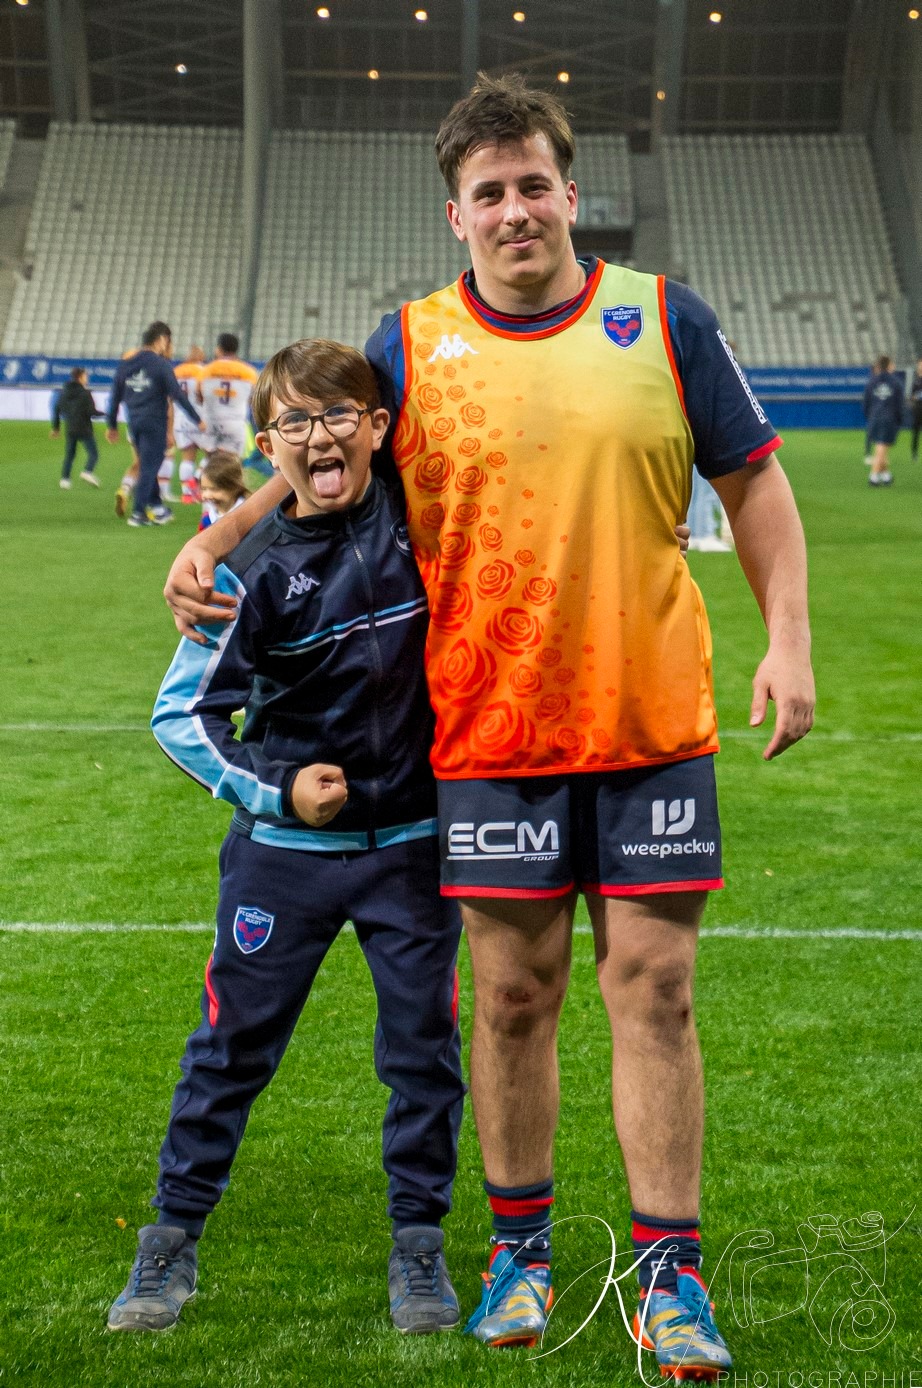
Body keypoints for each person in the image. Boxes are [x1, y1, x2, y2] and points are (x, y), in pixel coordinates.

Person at [162, 74, 814, 1377]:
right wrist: (215, 546)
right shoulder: (406, 348)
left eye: (532, 185)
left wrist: (786, 640)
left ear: (571, 195)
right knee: (512, 998)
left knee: (658, 992)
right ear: (453, 217)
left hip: (650, 725)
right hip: (490, 734)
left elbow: (754, 485)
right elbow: (316, 456)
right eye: (486, 194)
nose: (514, 210)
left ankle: (668, 1278)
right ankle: (518, 1256)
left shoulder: (662, 322)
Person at [108, 339, 464, 1337]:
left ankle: (419, 1247)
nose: (321, 436)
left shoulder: (418, 516)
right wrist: (275, 788)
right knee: (231, 1048)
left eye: (339, 414)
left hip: (411, 848)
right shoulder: (245, 573)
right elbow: (181, 715)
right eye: (296, 423)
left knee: (421, 1051)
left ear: (377, 426)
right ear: (269, 443)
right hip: (283, 859)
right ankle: (171, 1241)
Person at [106, 321, 205, 527]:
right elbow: (176, 395)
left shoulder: (126, 365)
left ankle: (157, 506)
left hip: (134, 422)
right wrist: (197, 419)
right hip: (154, 422)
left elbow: (114, 397)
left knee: (146, 463)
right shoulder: (161, 365)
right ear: (161, 340)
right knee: (150, 467)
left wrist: (112, 426)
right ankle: (138, 514)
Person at [199, 332, 259, 458]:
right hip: (235, 423)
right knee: (231, 464)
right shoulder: (249, 372)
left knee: (210, 461)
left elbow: (199, 394)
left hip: (211, 421)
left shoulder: (206, 370)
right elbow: (255, 400)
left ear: (219, 349)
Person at [51, 366, 102, 489]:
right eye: (86, 376)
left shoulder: (64, 392)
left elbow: (57, 409)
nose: (87, 378)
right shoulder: (86, 393)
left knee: (69, 455)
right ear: (80, 377)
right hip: (84, 428)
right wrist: (105, 414)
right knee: (93, 454)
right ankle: (87, 471)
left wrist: (56, 428)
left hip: (70, 428)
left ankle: (65, 480)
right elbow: (91, 412)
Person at [173, 345, 210, 502]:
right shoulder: (204, 371)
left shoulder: (176, 371)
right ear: (201, 356)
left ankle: (187, 494)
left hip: (180, 418)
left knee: (187, 457)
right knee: (213, 453)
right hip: (199, 417)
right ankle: (196, 478)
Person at [863, 355, 903, 487]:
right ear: (889, 365)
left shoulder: (872, 381)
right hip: (889, 417)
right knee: (882, 445)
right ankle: (873, 476)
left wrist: (869, 415)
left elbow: (866, 402)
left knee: (881, 446)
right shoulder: (896, 382)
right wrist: (899, 419)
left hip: (875, 416)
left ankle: (886, 476)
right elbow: (899, 404)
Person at [198, 448, 250, 530]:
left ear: (234, 487)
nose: (207, 495)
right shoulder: (207, 520)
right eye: (203, 489)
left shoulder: (249, 515)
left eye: (214, 489)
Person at [910, 358, 922, 462]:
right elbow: (912, 396)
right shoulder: (916, 380)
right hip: (918, 408)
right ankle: (914, 453)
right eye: (920, 364)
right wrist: (917, 396)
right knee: (916, 432)